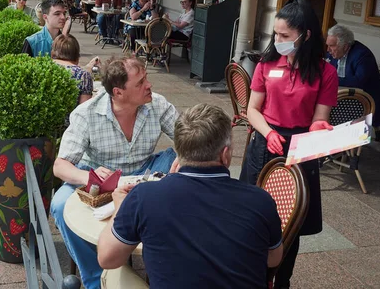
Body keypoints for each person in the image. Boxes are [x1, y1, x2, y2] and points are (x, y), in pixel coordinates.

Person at [98, 103, 284, 289]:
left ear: (178, 154)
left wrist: (120, 207)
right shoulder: (260, 200)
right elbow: (273, 259)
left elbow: (107, 259)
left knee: (113, 275)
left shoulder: (144, 197)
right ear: (225, 155)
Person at [50, 56, 178, 289]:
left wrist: (184, 155)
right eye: (140, 83)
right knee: (59, 205)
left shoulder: (156, 104)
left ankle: (168, 268)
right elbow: (61, 166)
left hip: (144, 174)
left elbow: (187, 137)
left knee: (175, 161)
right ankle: (96, 278)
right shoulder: (86, 114)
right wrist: (90, 178)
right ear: (118, 92)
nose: (149, 85)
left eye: (146, 78)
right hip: (101, 181)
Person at [240, 0, 338, 289]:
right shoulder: (267, 64)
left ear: (305, 35)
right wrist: (268, 132)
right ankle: (247, 275)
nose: (278, 40)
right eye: (276, 34)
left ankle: (282, 280)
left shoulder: (325, 72)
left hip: (300, 147)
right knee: (252, 215)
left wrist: (320, 129)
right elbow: (252, 110)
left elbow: (318, 118)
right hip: (265, 142)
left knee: (290, 223)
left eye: (285, 35)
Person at [325, 25, 380, 127]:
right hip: (341, 100)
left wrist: (331, 80)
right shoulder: (332, 54)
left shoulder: (363, 55)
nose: (328, 50)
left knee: (324, 113)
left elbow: (358, 82)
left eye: (332, 46)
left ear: (345, 46)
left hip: (364, 105)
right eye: (327, 45)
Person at [51, 34, 94, 105]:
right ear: (76, 53)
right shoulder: (83, 75)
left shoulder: (43, 68)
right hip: (72, 115)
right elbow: (84, 109)